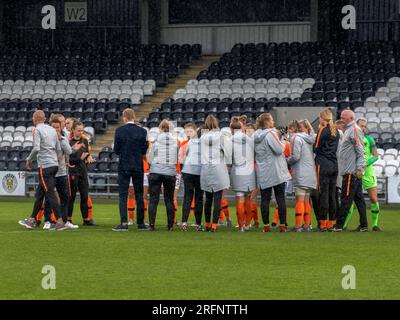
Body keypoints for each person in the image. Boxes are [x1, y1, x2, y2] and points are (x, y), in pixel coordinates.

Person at [18, 110, 65, 231]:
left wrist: (29, 159)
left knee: (49, 193)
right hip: (54, 165)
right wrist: (57, 161)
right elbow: (59, 149)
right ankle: (31, 220)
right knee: (40, 194)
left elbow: (36, 148)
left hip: (45, 166)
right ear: (44, 119)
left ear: (34, 119)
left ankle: (59, 221)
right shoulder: (52, 130)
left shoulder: (37, 130)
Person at [112, 109, 149, 231]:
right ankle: (141, 223)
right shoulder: (142, 131)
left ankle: (123, 223)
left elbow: (116, 150)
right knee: (139, 195)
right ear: (134, 117)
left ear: (124, 117)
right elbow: (144, 151)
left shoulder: (119, 131)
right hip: (138, 165)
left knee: (123, 195)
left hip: (124, 165)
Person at [254, 113, 290, 233]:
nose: (274, 122)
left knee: (265, 199)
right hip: (276, 170)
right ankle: (283, 225)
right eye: (272, 120)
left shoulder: (255, 135)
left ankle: (266, 226)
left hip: (263, 171)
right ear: (268, 121)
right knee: (280, 198)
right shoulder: (270, 133)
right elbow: (279, 150)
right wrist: (284, 139)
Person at [344, 118, 381, 232]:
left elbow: (375, 156)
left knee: (373, 199)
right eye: (361, 126)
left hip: (367, 172)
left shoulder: (369, 139)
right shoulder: (352, 137)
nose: (364, 128)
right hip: (355, 171)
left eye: (365, 126)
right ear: (356, 126)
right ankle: (344, 225)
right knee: (350, 200)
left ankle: (375, 224)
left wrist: (365, 164)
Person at [335, 110, 368, 232]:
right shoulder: (350, 130)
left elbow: (360, 150)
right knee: (359, 199)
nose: (341, 119)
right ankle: (364, 225)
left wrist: (360, 168)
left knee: (346, 198)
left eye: (343, 118)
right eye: (341, 117)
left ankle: (338, 226)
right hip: (351, 171)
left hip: (351, 172)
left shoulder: (354, 129)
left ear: (350, 118)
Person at [200, 115, 232, 232]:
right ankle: (214, 225)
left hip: (206, 169)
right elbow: (228, 153)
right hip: (218, 168)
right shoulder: (222, 136)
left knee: (208, 199)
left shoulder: (202, 137)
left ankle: (207, 224)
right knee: (217, 199)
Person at [147, 120, 179, 231]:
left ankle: (151, 225)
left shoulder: (155, 141)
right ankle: (170, 225)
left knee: (153, 199)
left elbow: (149, 157)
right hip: (170, 172)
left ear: (160, 128)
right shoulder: (175, 142)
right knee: (169, 199)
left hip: (156, 171)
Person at [287, 119, 317, 232]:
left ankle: (298, 225)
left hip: (301, 172)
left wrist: (286, 161)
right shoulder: (310, 138)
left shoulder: (296, 138)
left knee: (299, 199)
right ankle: (307, 225)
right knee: (306, 199)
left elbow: (296, 157)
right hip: (310, 173)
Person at [314, 109, 339, 232]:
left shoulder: (322, 130)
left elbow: (316, 148)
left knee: (323, 194)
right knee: (332, 195)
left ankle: (322, 223)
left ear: (322, 118)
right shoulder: (336, 131)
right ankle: (332, 223)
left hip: (323, 165)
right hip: (334, 164)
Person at [230, 117, 257, 232]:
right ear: (242, 128)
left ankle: (241, 226)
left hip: (237, 172)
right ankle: (247, 224)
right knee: (248, 199)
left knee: (240, 199)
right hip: (250, 172)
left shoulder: (229, 140)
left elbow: (228, 158)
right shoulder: (250, 140)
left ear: (232, 128)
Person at [68, 121, 96, 226]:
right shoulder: (69, 142)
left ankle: (86, 219)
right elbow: (69, 160)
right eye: (78, 130)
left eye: (82, 130)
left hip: (83, 171)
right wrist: (80, 159)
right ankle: (68, 218)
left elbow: (87, 154)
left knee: (84, 196)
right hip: (73, 172)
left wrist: (89, 158)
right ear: (73, 130)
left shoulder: (85, 140)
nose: (80, 132)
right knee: (72, 197)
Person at [179, 124, 204, 231]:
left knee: (188, 197)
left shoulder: (190, 142)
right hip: (199, 172)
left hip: (188, 171)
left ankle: (184, 222)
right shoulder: (205, 144)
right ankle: (198, 223)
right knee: (199, 198)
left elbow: (182, 157)